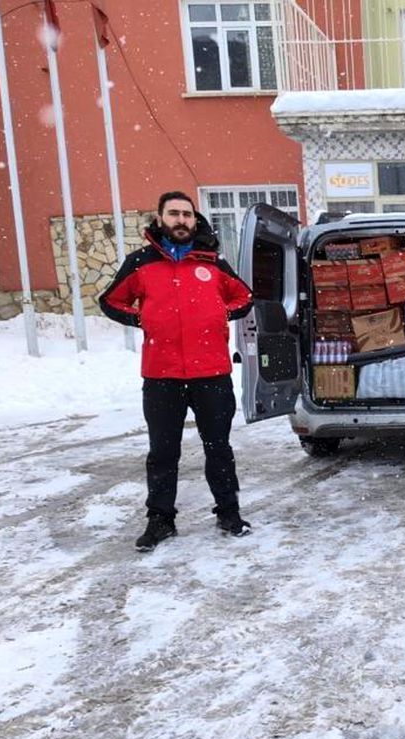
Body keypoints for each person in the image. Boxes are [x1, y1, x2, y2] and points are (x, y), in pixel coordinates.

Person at [99, 191, 254, 550]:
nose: (181, 220)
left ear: (194, 219)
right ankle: (160, 520)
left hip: (212, 374)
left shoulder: (213, 261)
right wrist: (143, 318)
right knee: (163, 451)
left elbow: (244, 297)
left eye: (187, 214)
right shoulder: (140, 262)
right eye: (174, 214)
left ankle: (228, 512)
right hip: (162, 375)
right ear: (160, 218)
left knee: (218, 447)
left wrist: (220, 314)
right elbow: (110, 300)